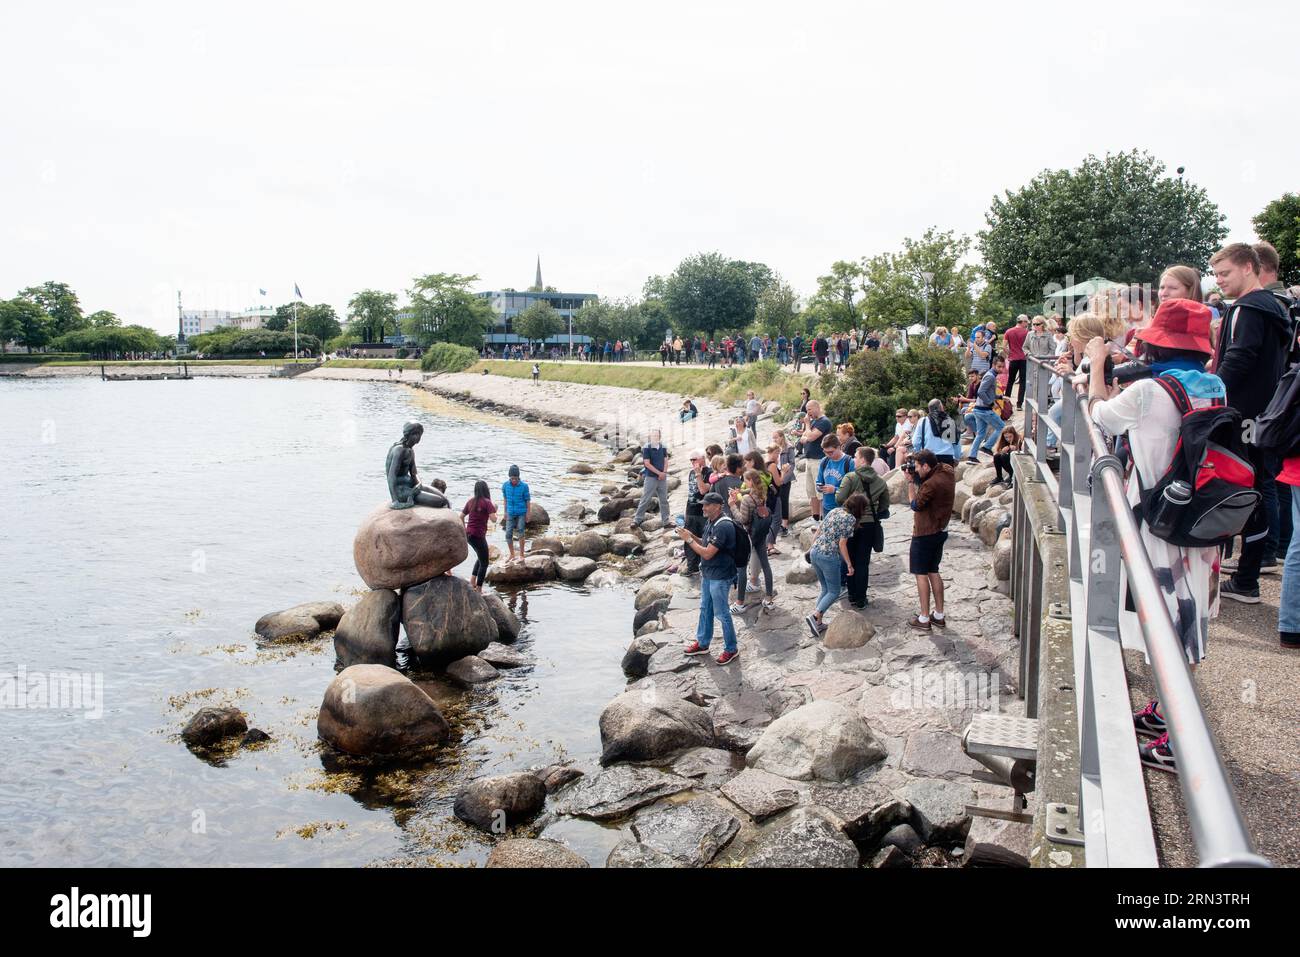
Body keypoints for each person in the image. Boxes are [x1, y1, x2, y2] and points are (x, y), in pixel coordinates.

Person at [1082, 299, 1224, 772]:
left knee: (1165, 615)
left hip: (1161, 515)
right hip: (1203, 512)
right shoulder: (1214, 385)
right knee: (1193, 611)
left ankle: (1178, 740)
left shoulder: (1148, 391)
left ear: (1159, 343)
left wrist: (1099, 364)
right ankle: (1167, 710)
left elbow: (1100, 415)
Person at [1211, 243, 1292, 602]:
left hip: (1243, 414)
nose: (1219, 281)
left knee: (1251, 492)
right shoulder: (1275, 308)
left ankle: (1246, 579)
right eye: (1215, 274)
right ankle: (1248, 572)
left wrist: (1213, 397)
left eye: (1224, 273)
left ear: (1248, 267)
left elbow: (1238, 360)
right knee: (1261, 489)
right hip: (1266, 414)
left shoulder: (1247, 309)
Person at [679, 492, 741, 665]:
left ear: (718, 506)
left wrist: (689, 541)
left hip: (720, 576)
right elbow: (706, 543)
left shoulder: (723, 526)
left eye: (707, 505)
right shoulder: (711, 521)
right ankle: (703, 643)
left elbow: (707, 553)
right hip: (708, 573)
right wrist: (691, 536)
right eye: (703, 504)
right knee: (705, 608)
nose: (703, 508)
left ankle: (731, 649)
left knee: (722, 613)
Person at [805, 493, 868, 637]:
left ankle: (818, 622)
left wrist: (810, 548)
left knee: (825, 588)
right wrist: (849, 565)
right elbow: (842, 544)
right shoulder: (850, 519)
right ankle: (815, 616)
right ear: (859, 508)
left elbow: (819, 529)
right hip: (828, 557)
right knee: (835, 591)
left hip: (815, 552)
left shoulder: (834, 510)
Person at [907, 449, 955, 631]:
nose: (916, 470)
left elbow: (916, 505)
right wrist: (918, 475)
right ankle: (939, 615)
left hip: (925, 532)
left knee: (921, 574)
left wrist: (911, 483)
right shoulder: (947, 472)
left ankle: (924, 617)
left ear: (926, 465)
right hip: (941, 530)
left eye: (918, 467)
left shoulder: (930, 485)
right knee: (933, 570)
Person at [836, 447, 890, 607]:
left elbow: (839, 498)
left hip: (850, 523)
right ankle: (861, 598)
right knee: (863, 562)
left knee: (849, 560)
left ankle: (851, 594)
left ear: (863, 460)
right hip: (870, 525)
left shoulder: (851, 477)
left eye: (856, 456)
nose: (853, 459)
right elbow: (885, 505)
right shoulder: (880, 481)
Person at [730, 467, 778, 613]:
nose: (743, 483)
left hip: (749, 536)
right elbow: (749, 494)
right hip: (761, 534)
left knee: (742, 569)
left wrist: (732, 506)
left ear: (750, 481)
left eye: (745, 480)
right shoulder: (761, 494)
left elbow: (742, 520)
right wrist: (739, 492)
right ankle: (769, 599)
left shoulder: (746, 500)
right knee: (766, 565)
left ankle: (740, 603)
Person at [962, 356, 1006, 462]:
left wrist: (1000, 397)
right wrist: (991, 404)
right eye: (999, 366)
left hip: (978, 409)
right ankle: (987, 447)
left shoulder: (990, 375)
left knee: (981, 434)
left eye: (1002, 367)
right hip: (984, 410)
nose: (1001, 369)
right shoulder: (990, 376)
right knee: (1001, 427)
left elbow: (988, 393)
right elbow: (981, 392)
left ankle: (972, 457)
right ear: (993, 365)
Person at [461, 480, 497, 591]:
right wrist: (495, 510)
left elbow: (461, 516)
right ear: (486, 490)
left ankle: (472, 581)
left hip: (469, 535)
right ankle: (479, 588)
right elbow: (494, 519)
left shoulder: (470, 501)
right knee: (485, 563)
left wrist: (464, 529)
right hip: (478, 535)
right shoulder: (487, 502)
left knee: (481, 557)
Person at [681, 449, 712, 576]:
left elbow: (703, 490)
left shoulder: (709, 473)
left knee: (703, 538)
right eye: (691, 460)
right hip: (691, 510)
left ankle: (702, 564)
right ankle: (691, 565)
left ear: (702, 458)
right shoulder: (691, 473)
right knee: (688, 537)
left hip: (703, 511)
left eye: (695, 459)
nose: (692, 462)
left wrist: (699, 474)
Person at [801, 400, 833, 519]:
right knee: (811, 492)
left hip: (819, 460)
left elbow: (811, 436)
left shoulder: (824, 422)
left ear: (816, 408)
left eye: (809, 409)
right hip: (809, 459)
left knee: (820, 491)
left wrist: (807, 425)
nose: (807, 412)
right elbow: (806, 435)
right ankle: (815, 518)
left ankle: (823, 518)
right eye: (806, 410)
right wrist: (806, 433)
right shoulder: (813, 421)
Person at [633, 428, 672, 527]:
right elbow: (647, 464)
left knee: (664, 500)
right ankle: (637, 520)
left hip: (662, 477)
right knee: (645, 499)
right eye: (653, 435)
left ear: (660, 436)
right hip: (651, 477)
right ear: (650, 437)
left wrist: (664, 472)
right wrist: (659, 473)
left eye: (657, 435)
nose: (655, 437)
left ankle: (666, 521)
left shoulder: (663, 447)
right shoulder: (647, 448)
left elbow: (665, 460)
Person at [912, 398, 960, 465]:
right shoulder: (949, 421)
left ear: (929, 410)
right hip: (947, 458)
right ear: (941, 408)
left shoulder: (923, 421)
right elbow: (956, 442)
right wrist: (957, 458)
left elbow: (916, 442)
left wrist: (918, 455)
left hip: (929, 457)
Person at [815, 433, 852, 518]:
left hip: (843, 509)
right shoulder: (824, 461)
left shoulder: (849, 462)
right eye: (825, 452)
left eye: (831, 452)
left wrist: (834, 490)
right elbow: (819, 480)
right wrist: (819, 487)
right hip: (827, 507)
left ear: (839, 447)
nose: (828, 455)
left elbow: (853, 488)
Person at [501, 464, 531, 562]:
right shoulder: (505, 486)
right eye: (512, 478)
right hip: (510, 512)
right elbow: (505, 499)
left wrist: (528, 513)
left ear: (518, 477)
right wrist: (504, 512)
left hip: (521, 512)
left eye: (515, 478)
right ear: (509, 477)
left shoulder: (524, 486)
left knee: (521, 532)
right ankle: (512, 554)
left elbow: (527, 500)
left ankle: (522, 554)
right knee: (508, 534)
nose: (513, 480)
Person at [770, 431, 796, 537]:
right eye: (773, 438)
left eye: (776, 437)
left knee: (784, 500)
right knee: (776, 500)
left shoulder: (789, 448)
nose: (774, 440)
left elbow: (792, 464)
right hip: (776, 476)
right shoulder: (774, 448)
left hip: (785, 478)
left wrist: (785, 477)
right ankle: (778, 523)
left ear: (781, 437)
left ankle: (785, 525)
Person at [1003, 314, 1029, 409]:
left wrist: (1009, 354)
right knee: (1023, 382)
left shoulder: (1009, 331)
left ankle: (1006, 402)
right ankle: (1019, 404)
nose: (1027, 324)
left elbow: (1004, 346)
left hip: (1013, 359)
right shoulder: (1027, 332)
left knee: (1010, 380)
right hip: (1023, 359)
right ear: (1022, 322)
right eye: (1026, 322)